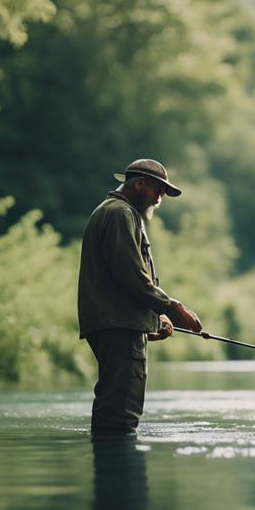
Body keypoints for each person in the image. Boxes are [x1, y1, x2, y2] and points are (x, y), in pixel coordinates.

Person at [78, 158, 202, 435]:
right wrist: (172, 307)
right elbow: (131, 275)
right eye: (158, 190)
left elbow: (123, 278)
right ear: (140, 184)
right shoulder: (120, 213)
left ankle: (113, 470)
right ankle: (117, 474)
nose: (160, 198)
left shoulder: (117, 212)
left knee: (118, 405)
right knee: (120, 412)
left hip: (117, 323)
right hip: (117, 325)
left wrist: (153, 317)